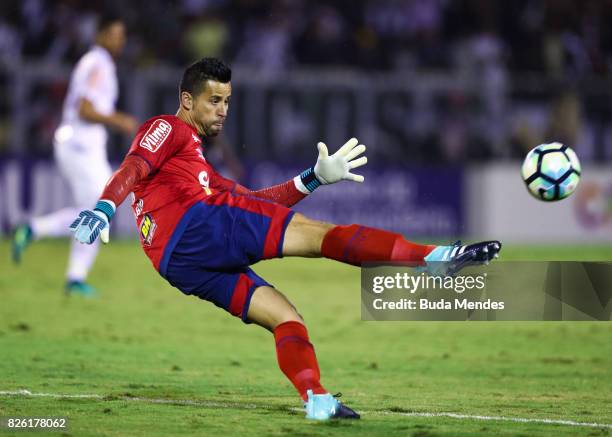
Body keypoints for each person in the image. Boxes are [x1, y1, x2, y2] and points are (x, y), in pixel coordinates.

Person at [69, 58, 501, 420]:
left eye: (227, 102)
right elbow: (135, 165)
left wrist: (312, 179)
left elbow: (254, 202)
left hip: (177, 263)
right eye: (213, 100)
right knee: (320, 236)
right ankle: (434, 259)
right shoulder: (167, 128)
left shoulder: (200, 170)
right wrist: (105, 206)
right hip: (196, 226)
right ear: (187, 101)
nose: (222, 110)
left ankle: (316, 399)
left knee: (285, 316)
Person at [12, 14, 138, 295]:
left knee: (98, 212)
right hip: (80, 145)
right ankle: (38, 232)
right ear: (100, 36)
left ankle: (73, 275)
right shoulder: (98, 63)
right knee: (100, 210)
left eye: (122, 35)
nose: (120, 40)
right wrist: (122, 121)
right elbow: (85, 109)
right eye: (115, 34)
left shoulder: (97, 63)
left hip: (82, 146)